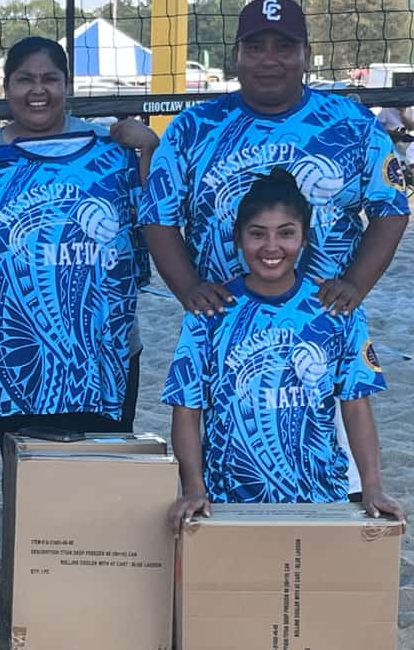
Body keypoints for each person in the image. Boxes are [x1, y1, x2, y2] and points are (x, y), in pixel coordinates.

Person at [142, 0, 409, 496]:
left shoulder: (352, 124)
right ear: (236, 55)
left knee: (336, 490)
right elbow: (157, 217)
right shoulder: (193, 128)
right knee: (224, 480)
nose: (270, 59)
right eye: (255, 46)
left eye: (284, 47)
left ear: (306, 54)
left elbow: (392, 208)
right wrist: (190, 289)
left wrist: (354, 285)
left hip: (317, 326)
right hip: (229, 330)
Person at [0, 37, 153, 447]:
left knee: (98, 469)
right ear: (6, 87)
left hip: (101, 353)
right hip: (13, 351)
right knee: (21, 470)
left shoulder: (112, 152)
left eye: (50, 79)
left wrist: (150, 151)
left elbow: (152, 222)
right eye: (25, 80)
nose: (38, 90)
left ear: (67, 85)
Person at [163, 169, 406, 533]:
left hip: (320, 498)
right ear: (238, 239)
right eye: (257, 234)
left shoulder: (335, 309)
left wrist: (371, 487)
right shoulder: (211, 312)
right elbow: (187, 408)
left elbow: (356, 405)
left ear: (305, 238)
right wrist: (195, 488)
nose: (271, 247)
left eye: (286, 233)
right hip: (229, 501)